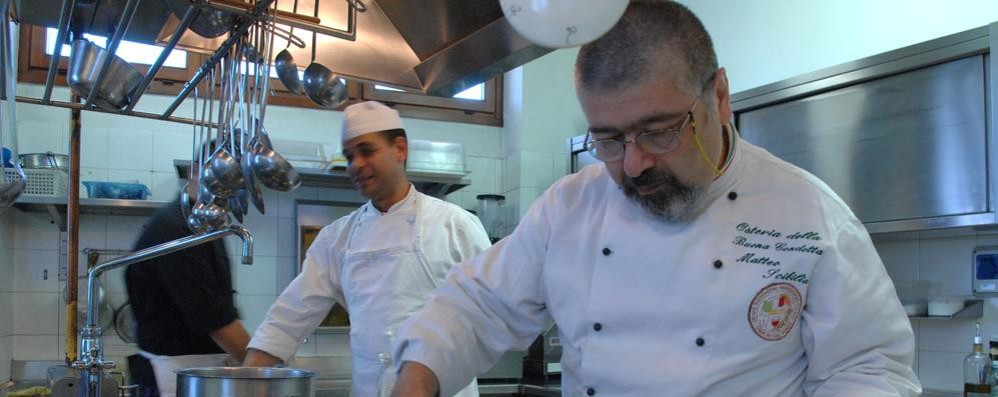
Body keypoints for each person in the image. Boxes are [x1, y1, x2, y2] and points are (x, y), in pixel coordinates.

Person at [389, 1, 923, 396]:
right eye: (608, 139)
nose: (635, 162)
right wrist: (419, 377)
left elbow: (870, 368)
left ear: (719, 97)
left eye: (659, 130)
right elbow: (476, 306)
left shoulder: (809, 215)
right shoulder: (568, 208)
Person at [243, 101, 491, 397]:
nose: (355, 165)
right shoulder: (337, 238)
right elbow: (288, 318)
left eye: (366, 151)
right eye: (349, 156)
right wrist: (246, 381)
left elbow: (492, 314)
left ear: (400, 149)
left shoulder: (457, 226)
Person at [125, 177, 250, 397]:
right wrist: (267, 371)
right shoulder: (178, 229)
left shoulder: (203, 223)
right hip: (173, 377)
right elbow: (214, 318)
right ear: (202, 170)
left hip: (194, 373)